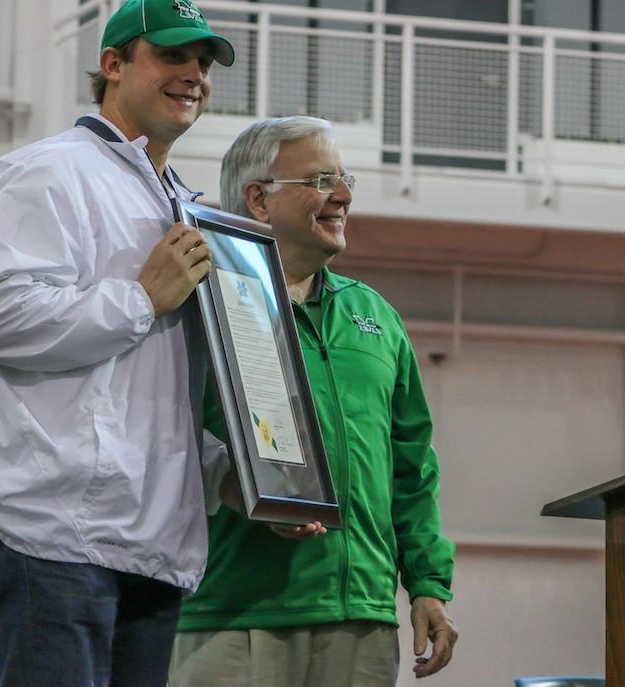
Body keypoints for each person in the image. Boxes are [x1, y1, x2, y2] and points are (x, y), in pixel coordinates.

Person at [0, 0, 235, 686]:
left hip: (152, 541)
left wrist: (242, 474)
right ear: (112, 63)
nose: (193, 72)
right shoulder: (46, 172)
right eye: (171, 54)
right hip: (54, 532)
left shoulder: (185, 206)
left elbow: (152, 386)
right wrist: (139, 298)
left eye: (202, 61)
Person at [171, 116, 458, 687]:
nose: (344, 195)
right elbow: (159, 435)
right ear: (259, 198)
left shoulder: (376, 318)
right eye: (322, 179)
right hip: (234, 612)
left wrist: (426, 583)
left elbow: (412, 468)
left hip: (361, 618)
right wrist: (242, 489)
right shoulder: (196, 303)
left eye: (344, 178)